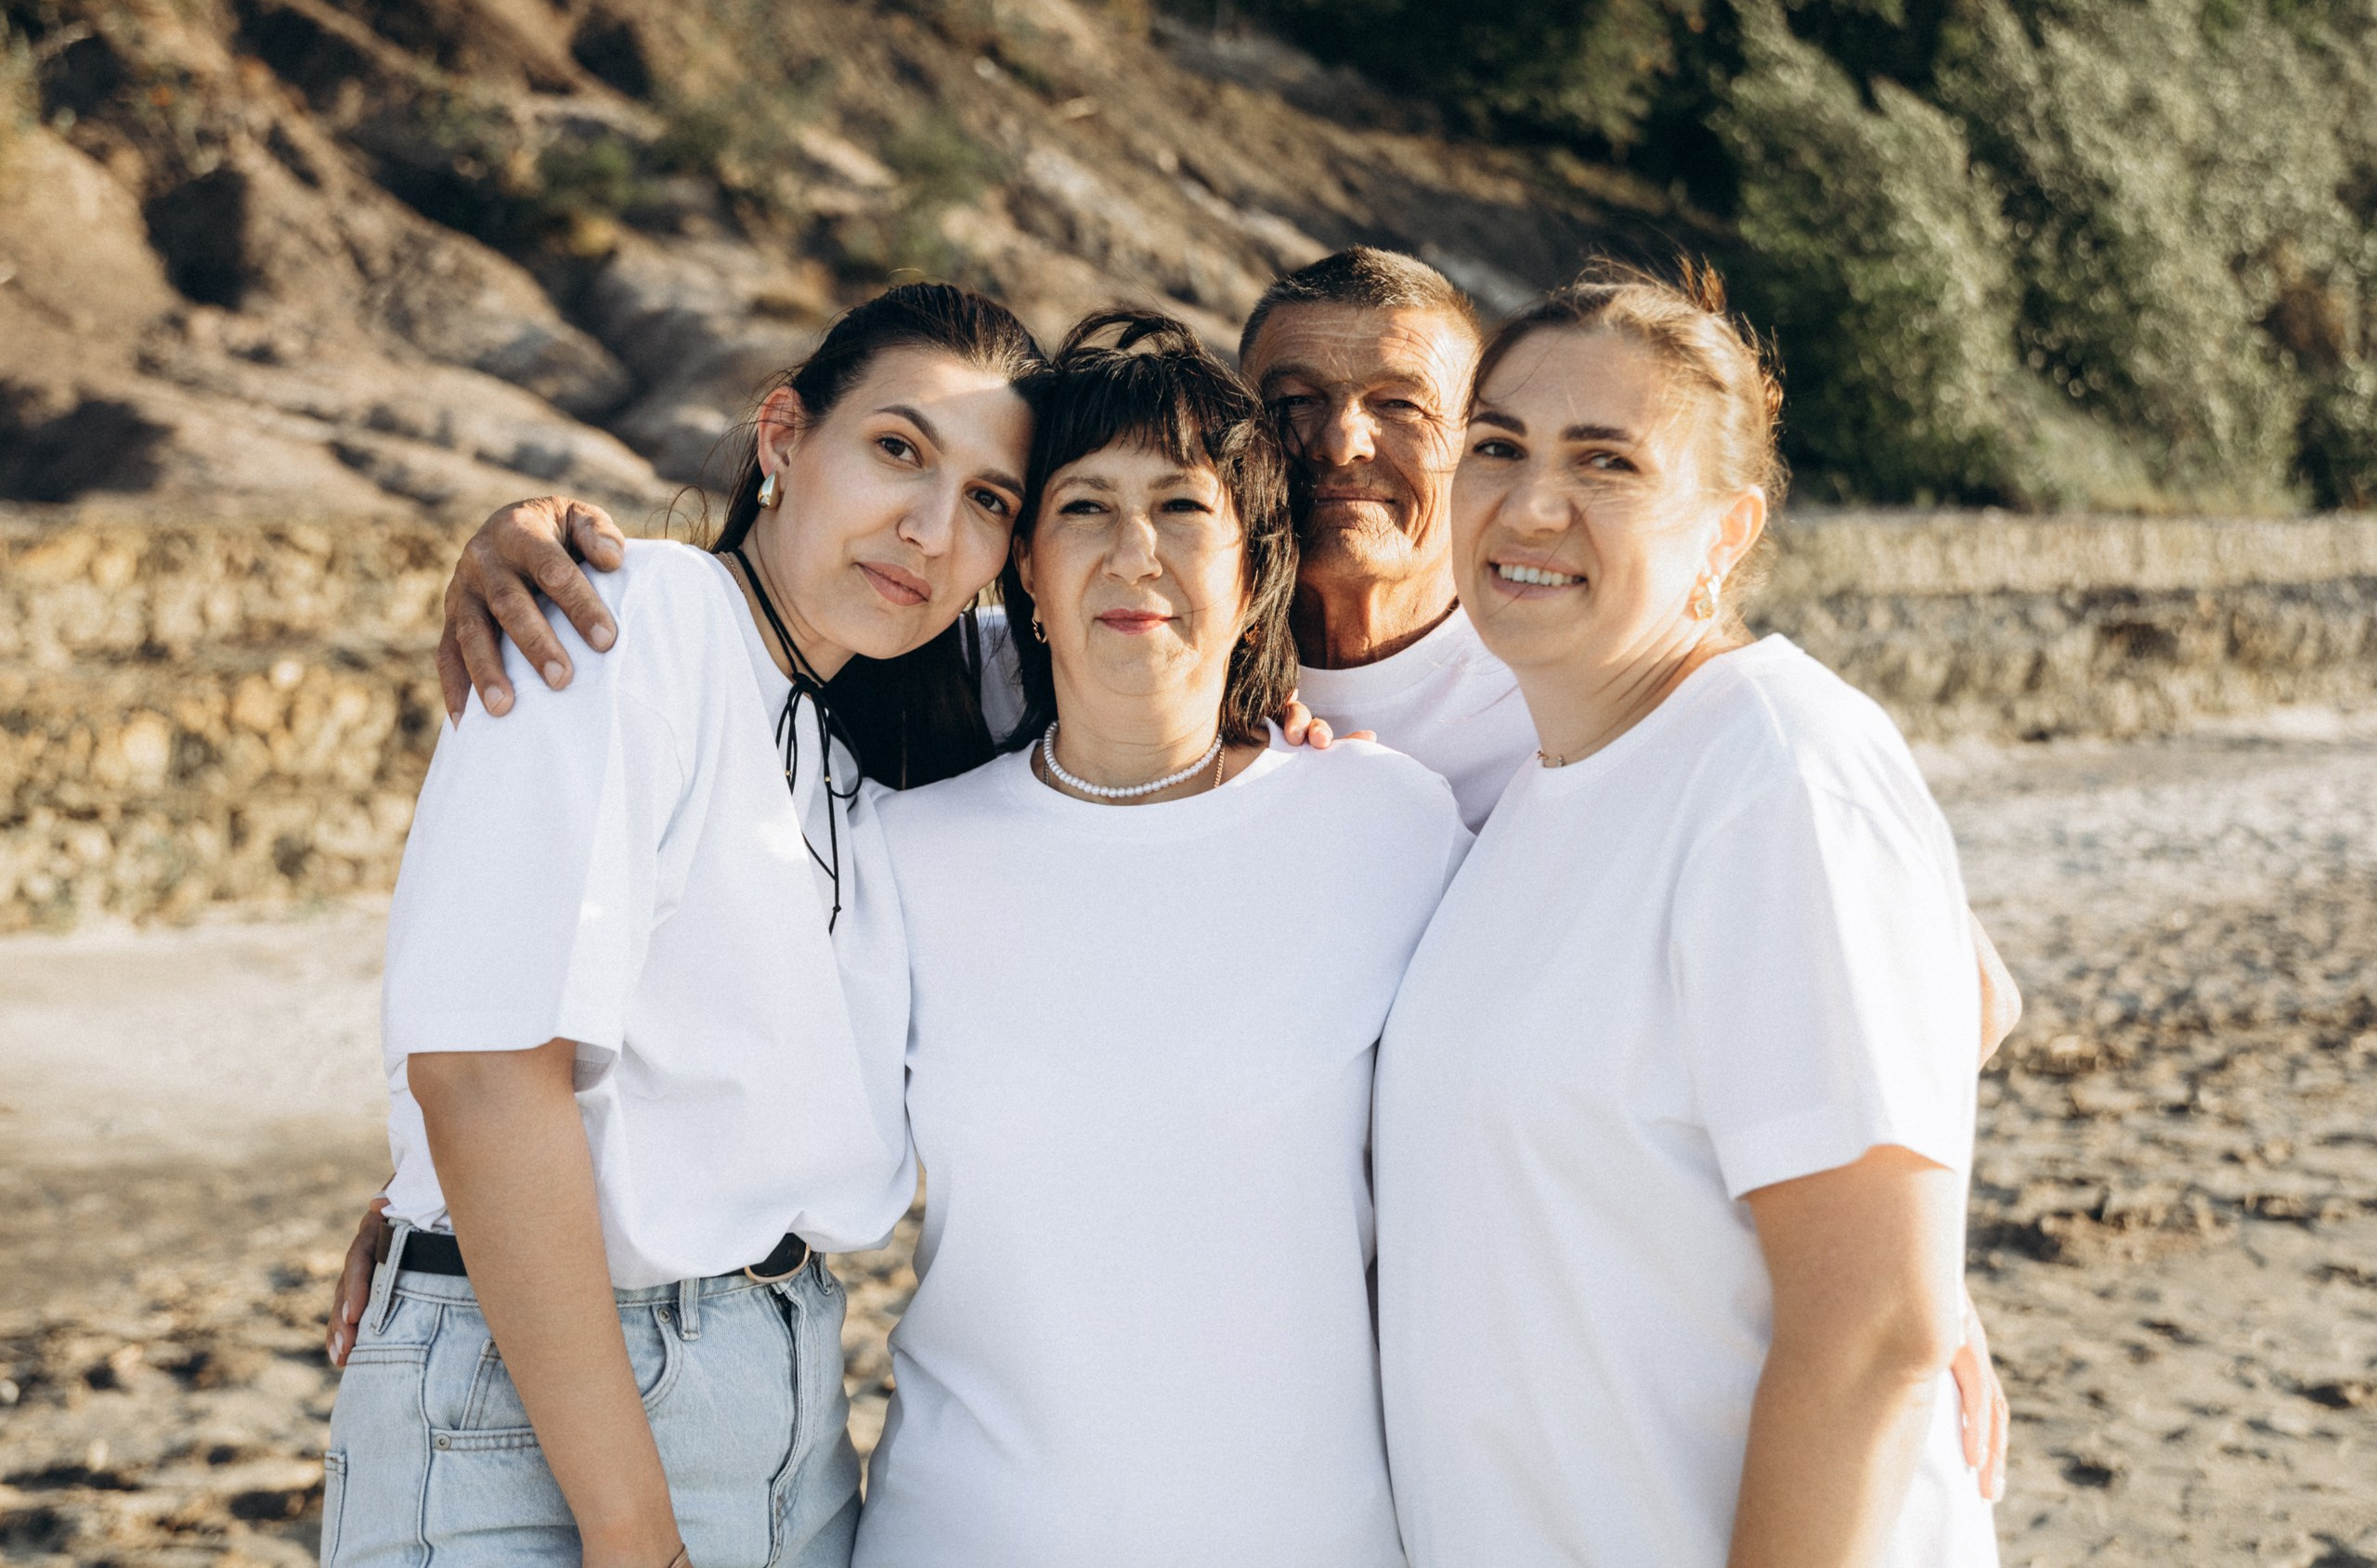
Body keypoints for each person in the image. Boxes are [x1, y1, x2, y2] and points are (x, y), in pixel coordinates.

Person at [396, 249, 2011, 1486]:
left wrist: (1908, 1282)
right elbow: (705, 931)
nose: (1343, 442)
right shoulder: (1027, 698)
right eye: (1293, 404)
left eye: (1406, 410)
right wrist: (438, 1196)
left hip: (1530, 1440)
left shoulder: (1556, 694)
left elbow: (1906, 987)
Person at [323, 283, 1041, 1568]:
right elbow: (484, 1075)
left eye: (989, 500)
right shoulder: (634, 620)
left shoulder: (872, 729)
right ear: (783, 438)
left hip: (787, 1400)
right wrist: (631, 1528)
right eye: (898, 450)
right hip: (549, 1414)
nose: (932, 529)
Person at [1374, 263, 2000, 1566]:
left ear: (1726, 533)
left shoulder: (1778, 766)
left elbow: (1878, 1332)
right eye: (1499, 446)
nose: (1531, 503)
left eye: (1605, 463)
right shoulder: (1542, 793)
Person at [851, 312, 1468, 1565]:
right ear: (1027, 570)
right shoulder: (906, 853)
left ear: (1255, 567)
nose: (1135, 551)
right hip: (970, 1535)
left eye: (1182, 508)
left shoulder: (1386, 827)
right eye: (1085, 508)